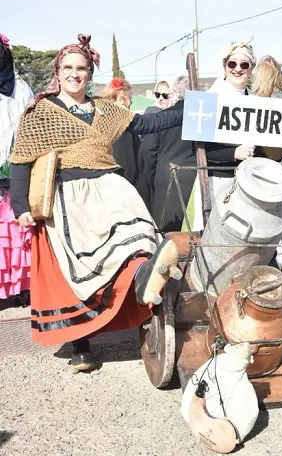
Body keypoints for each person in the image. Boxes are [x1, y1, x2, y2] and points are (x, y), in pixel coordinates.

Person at [9, 34, 183, 372]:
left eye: (82, 69)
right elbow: (21, 161)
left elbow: (148, 122)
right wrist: (20, 207)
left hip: (109, 187)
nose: (75, 74)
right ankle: (81, 345)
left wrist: (187, 108)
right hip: (66, 196)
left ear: (90, 74)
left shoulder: (105, 110)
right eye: (68, 68)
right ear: (57, 72)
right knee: (77, 269)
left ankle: (145, 283)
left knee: (138, 240)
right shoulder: (40, 112)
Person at [192, 40, 257, 230]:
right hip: (216, 181)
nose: (238, 69)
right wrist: (233, 153)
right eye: (232, 64)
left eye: (244, 65)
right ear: (225, 66)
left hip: (246, 183)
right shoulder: (211, 99)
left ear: (251, 68)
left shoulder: (255, 101)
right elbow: (199, 150)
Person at [0, 33, 34, 310]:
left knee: (17, 230)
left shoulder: (21, 88)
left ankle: (23, 287)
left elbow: (29, 127)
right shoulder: (22, 87)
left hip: (17, 169)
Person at [137, 76, 196, 232]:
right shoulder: (201, 117)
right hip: (194, 178)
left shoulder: (163, 118)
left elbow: (148, 151)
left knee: (166, 235)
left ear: (175, 93)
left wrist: (151, 178)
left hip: (166, 178)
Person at [100, 77, 139, 185]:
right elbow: (129, 165)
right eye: (130, 98)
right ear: (121, 100)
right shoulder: (125, 127)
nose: (131, 102)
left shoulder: (101, 123)